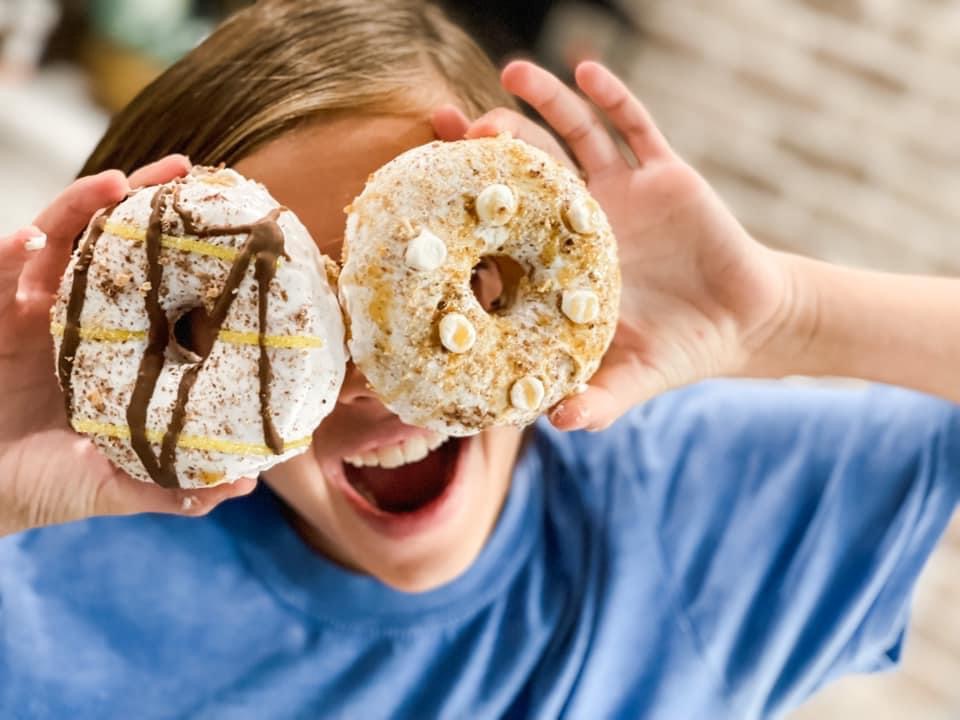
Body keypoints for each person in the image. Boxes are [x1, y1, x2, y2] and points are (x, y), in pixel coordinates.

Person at [0, 1, 957, 717]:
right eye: (288, 324)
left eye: (446, 300)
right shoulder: (47, 570)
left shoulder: (692, 515)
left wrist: (783, 313)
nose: (375, 385)